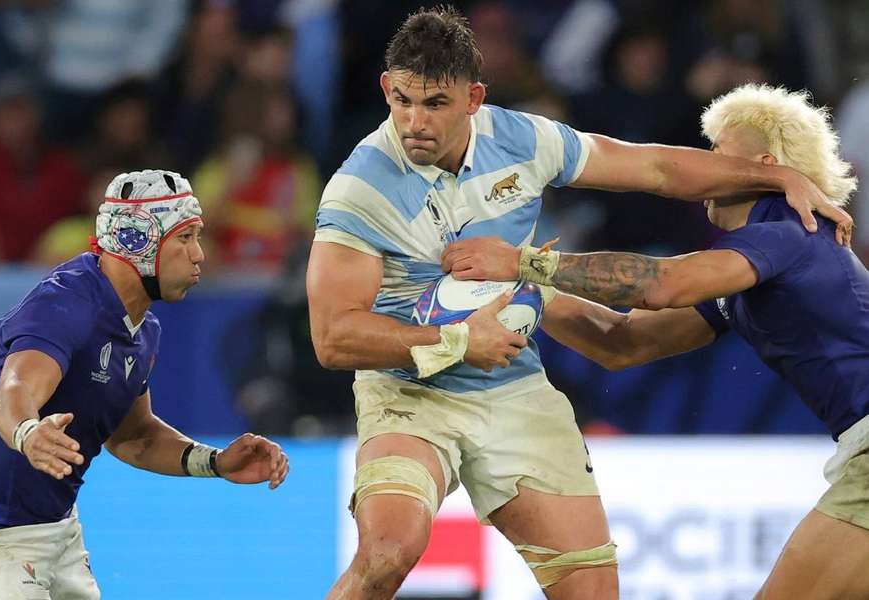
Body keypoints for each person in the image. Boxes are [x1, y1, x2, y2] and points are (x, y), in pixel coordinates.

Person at [306, 6, 851, 599]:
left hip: (512, 390)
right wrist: (473, 330)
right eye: (403, 101)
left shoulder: (524, 140)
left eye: (434, 103)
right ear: (386, 88)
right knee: (388, 553)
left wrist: (524, 267)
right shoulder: (360, 188)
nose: (414, 121)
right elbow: (334, 339)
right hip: (410, 391)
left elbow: (657, 196)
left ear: (473, 98)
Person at [440, 83, 867, 599]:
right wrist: (529, 289)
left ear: (763, 164)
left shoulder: (787, 232)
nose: (703, 167)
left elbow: (661, 285)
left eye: (717, 151)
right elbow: (622, 343)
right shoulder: (751, 267)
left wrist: (524, 260)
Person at [0, 169, 289, 599]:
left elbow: (134, 438)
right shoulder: (65, 303)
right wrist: (28, 433)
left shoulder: (143, 329)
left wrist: (215, 463)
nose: (200, 255)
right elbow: (14, 391)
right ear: (138, 239)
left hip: (57, 531)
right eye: (185, 237)